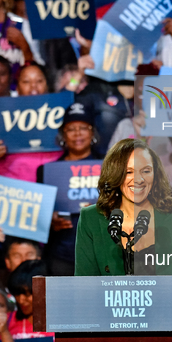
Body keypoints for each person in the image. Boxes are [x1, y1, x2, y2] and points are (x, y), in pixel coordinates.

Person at [75, 138, 172, 276]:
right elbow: (84, 285)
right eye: (128, 172)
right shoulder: (91, 217)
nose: (138, 179)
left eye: (146, 171)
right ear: (115, 174)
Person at [36, 102, 104, 276]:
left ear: (93, 133)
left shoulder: (110, 167)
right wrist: (50, 222)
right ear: (63, 135)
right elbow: (37, 217)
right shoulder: (47, 172)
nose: (77, 134)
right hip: (61, 256)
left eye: (83, 127)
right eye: (71, 129)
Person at [0, 62, 63, 182]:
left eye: (39, 81)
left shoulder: (62, 118)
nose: (33, 86)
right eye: (26, 82)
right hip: (17, 195)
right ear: (17, 89)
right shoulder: (3, 122)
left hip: (57, 191)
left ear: (47, 86)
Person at [6, 260, 70, 342]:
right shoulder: (6, 322)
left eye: (28, 294)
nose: (21, 300)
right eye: (17, 293)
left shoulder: (62, 324)